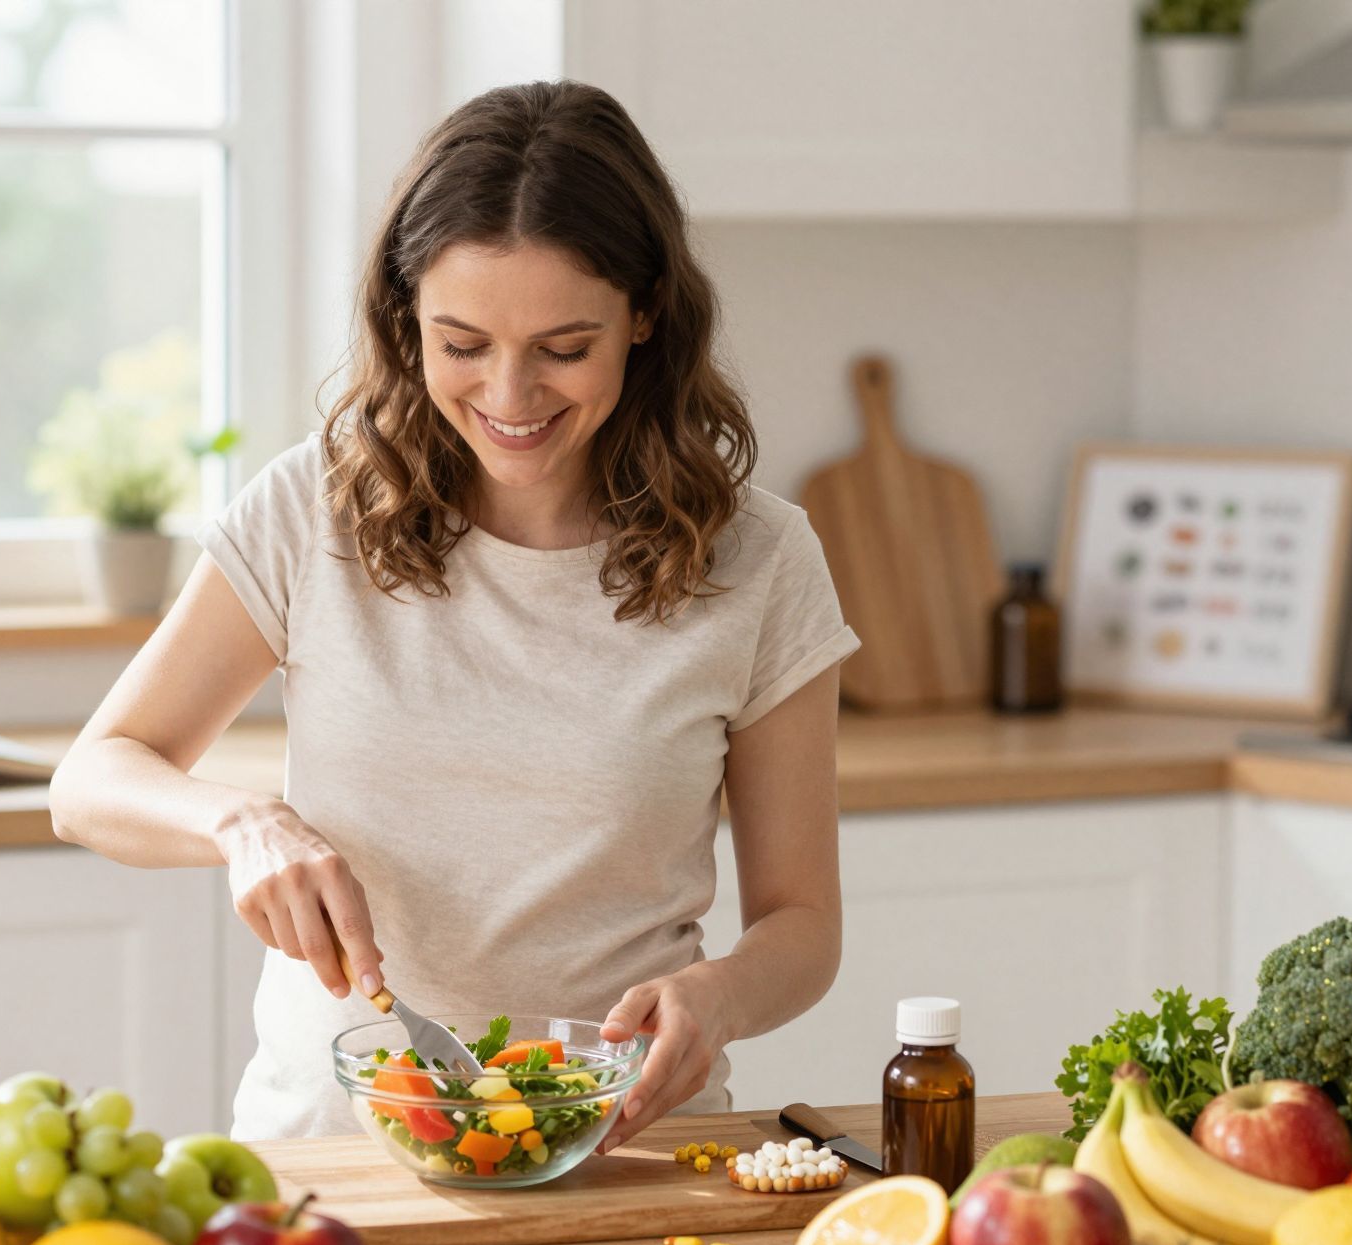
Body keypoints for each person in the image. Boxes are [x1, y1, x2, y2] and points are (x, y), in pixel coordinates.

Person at [49, 81, 859, 1148]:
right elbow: (92, 778)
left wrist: (719, 998)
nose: (511, 396)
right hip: (334, 1154)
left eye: (565, 348)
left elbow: (800, 925)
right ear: (405, 318)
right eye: (462, 343)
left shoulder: (758, 561)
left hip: (622, 1148)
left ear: (646, 314)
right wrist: (244, 824)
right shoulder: (316, 511)